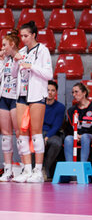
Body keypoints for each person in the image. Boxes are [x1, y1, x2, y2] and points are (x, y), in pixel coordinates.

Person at [11, 21, 53, 183]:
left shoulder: (43, 51)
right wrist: (16, 61)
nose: (23, 39)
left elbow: (48, 74)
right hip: (21, 94)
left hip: (36, 95)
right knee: (22, 133)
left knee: (36, 132)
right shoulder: (21, 51)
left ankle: (37, 170)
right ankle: (26, 169)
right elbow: (15, 74)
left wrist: (31, 66)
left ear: (34, 35)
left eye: (26, 36)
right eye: (21, 36)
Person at [0, 30, 21, 182]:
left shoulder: (20, 56)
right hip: (4, 98)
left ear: (12, 44)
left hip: (16, 97)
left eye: (4, 45)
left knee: (19, 132)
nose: (2, 47)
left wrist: (16, 60)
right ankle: (7, 169)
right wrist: (1, 61)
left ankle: (23, 168)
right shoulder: (4, 59)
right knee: (6, 134)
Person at [64, 82, 92, 162]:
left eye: (76, 92)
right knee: (68, 138)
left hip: (91, 135)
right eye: (73, 92)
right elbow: (69, 127)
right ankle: (70, 168)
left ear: (84, 92)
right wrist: (76, 135)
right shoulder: (71, 110)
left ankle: (83, 165)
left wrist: (81, 136)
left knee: (85, 137)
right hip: (76, 135)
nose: (74, 95)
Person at [43, 80, 65, 179]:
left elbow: (56, 125)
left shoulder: (60, 107)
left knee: (56, 143)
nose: (50, 93)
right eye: (48, 90)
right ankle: (34, 168)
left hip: (52, 133)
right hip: (38, 132)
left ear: (56, 92)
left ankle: (46, 168)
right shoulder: (39, 105)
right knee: (33, 142)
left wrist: (47, 137)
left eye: (53, 90)